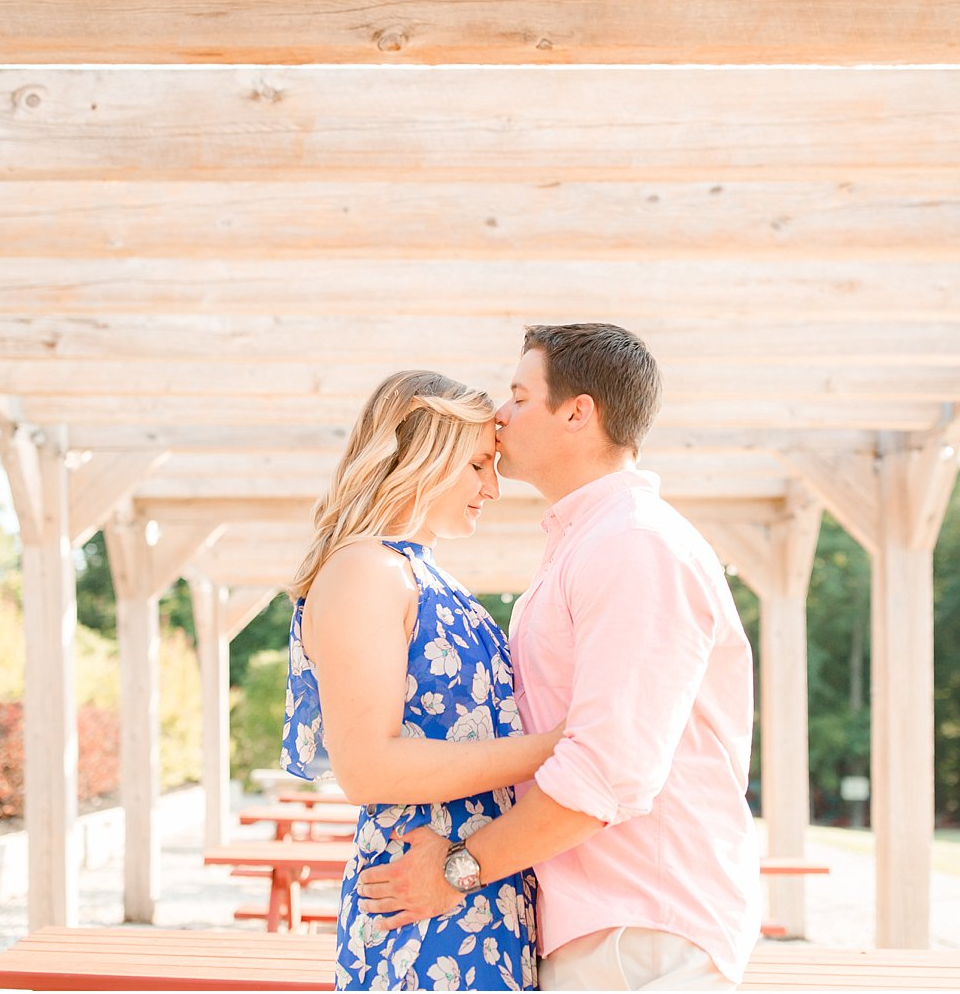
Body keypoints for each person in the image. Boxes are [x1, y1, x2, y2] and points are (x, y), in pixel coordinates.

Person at [355, 324, 761, 990]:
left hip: (640, 935)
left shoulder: (634, 544)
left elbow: (610, 768)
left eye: (519, 395)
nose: (499, 414)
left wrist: (458, 868)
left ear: (578, 412)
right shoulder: (592, 541)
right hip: (606, 927)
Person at [280, 370, 559, 991]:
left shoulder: (419, 573)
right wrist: (558, 747)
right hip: (421, 916)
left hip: (470, 896)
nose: (493, 487)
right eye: (479, 466)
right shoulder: (365, 571)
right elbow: (367, 767)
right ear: (427, 458)